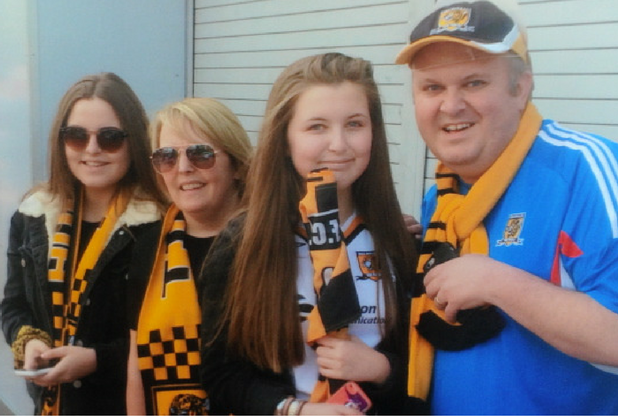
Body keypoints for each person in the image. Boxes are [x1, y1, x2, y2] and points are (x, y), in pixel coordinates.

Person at [395, 0, 618, 414]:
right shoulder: (439, 202)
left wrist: (498, 283)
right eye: (432, 87)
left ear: (521, 88)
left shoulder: (582, 169)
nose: (451, 105)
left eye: (474, 83)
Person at [199, 52, 420, 415]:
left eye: (354, 124)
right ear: (285, 139)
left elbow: (432, 368)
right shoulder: (243, 243)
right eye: (316, 127)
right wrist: (294, 411)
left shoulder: (399, 240)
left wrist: (383, 370)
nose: (338, 144)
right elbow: (221, 375)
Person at [1, 72, 167, 415]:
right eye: (76, 136)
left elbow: (172, 335)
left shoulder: (158, 224)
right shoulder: (32, 215)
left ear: (133, 141)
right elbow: (14, 305)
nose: (92, 150)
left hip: (124, 404)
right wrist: (31, 341)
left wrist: (96, 359)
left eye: (110, 138)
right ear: (61, 142)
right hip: (52, 405)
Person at [125, 97, 252, 415]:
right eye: (167, 156)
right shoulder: (148, 247)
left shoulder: (271, 243)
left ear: (236, 165)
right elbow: (135, 364)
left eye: (201, 153)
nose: (183, 168)